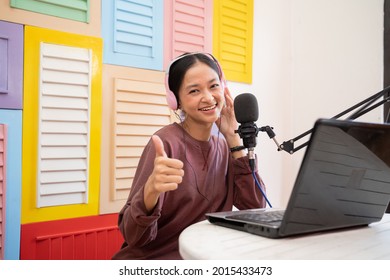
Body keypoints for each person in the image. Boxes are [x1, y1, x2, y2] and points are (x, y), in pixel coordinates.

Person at [112, 52, 267, 260]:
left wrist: (232, 138)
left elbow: (255, 208)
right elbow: (133, 236)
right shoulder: (165, 142)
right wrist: (150, 190)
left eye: (213, 86)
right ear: (177, 101)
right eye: (194, 90)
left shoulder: (224, 145)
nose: (209, 97)